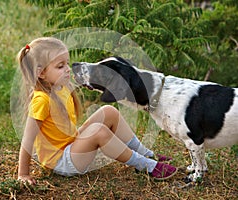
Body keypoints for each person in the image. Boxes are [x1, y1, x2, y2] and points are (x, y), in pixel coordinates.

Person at [16, 37, 177, 185]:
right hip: (61, 162)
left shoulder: (60, 88)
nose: (67, 69)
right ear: (41, 73)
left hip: (71, 146)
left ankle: (147, 154)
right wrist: (23, 174)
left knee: (109, 111)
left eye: (67, 63)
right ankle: (146, 166)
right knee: (98, 131)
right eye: (60, 66)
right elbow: (28, 139)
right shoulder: (41, 100)